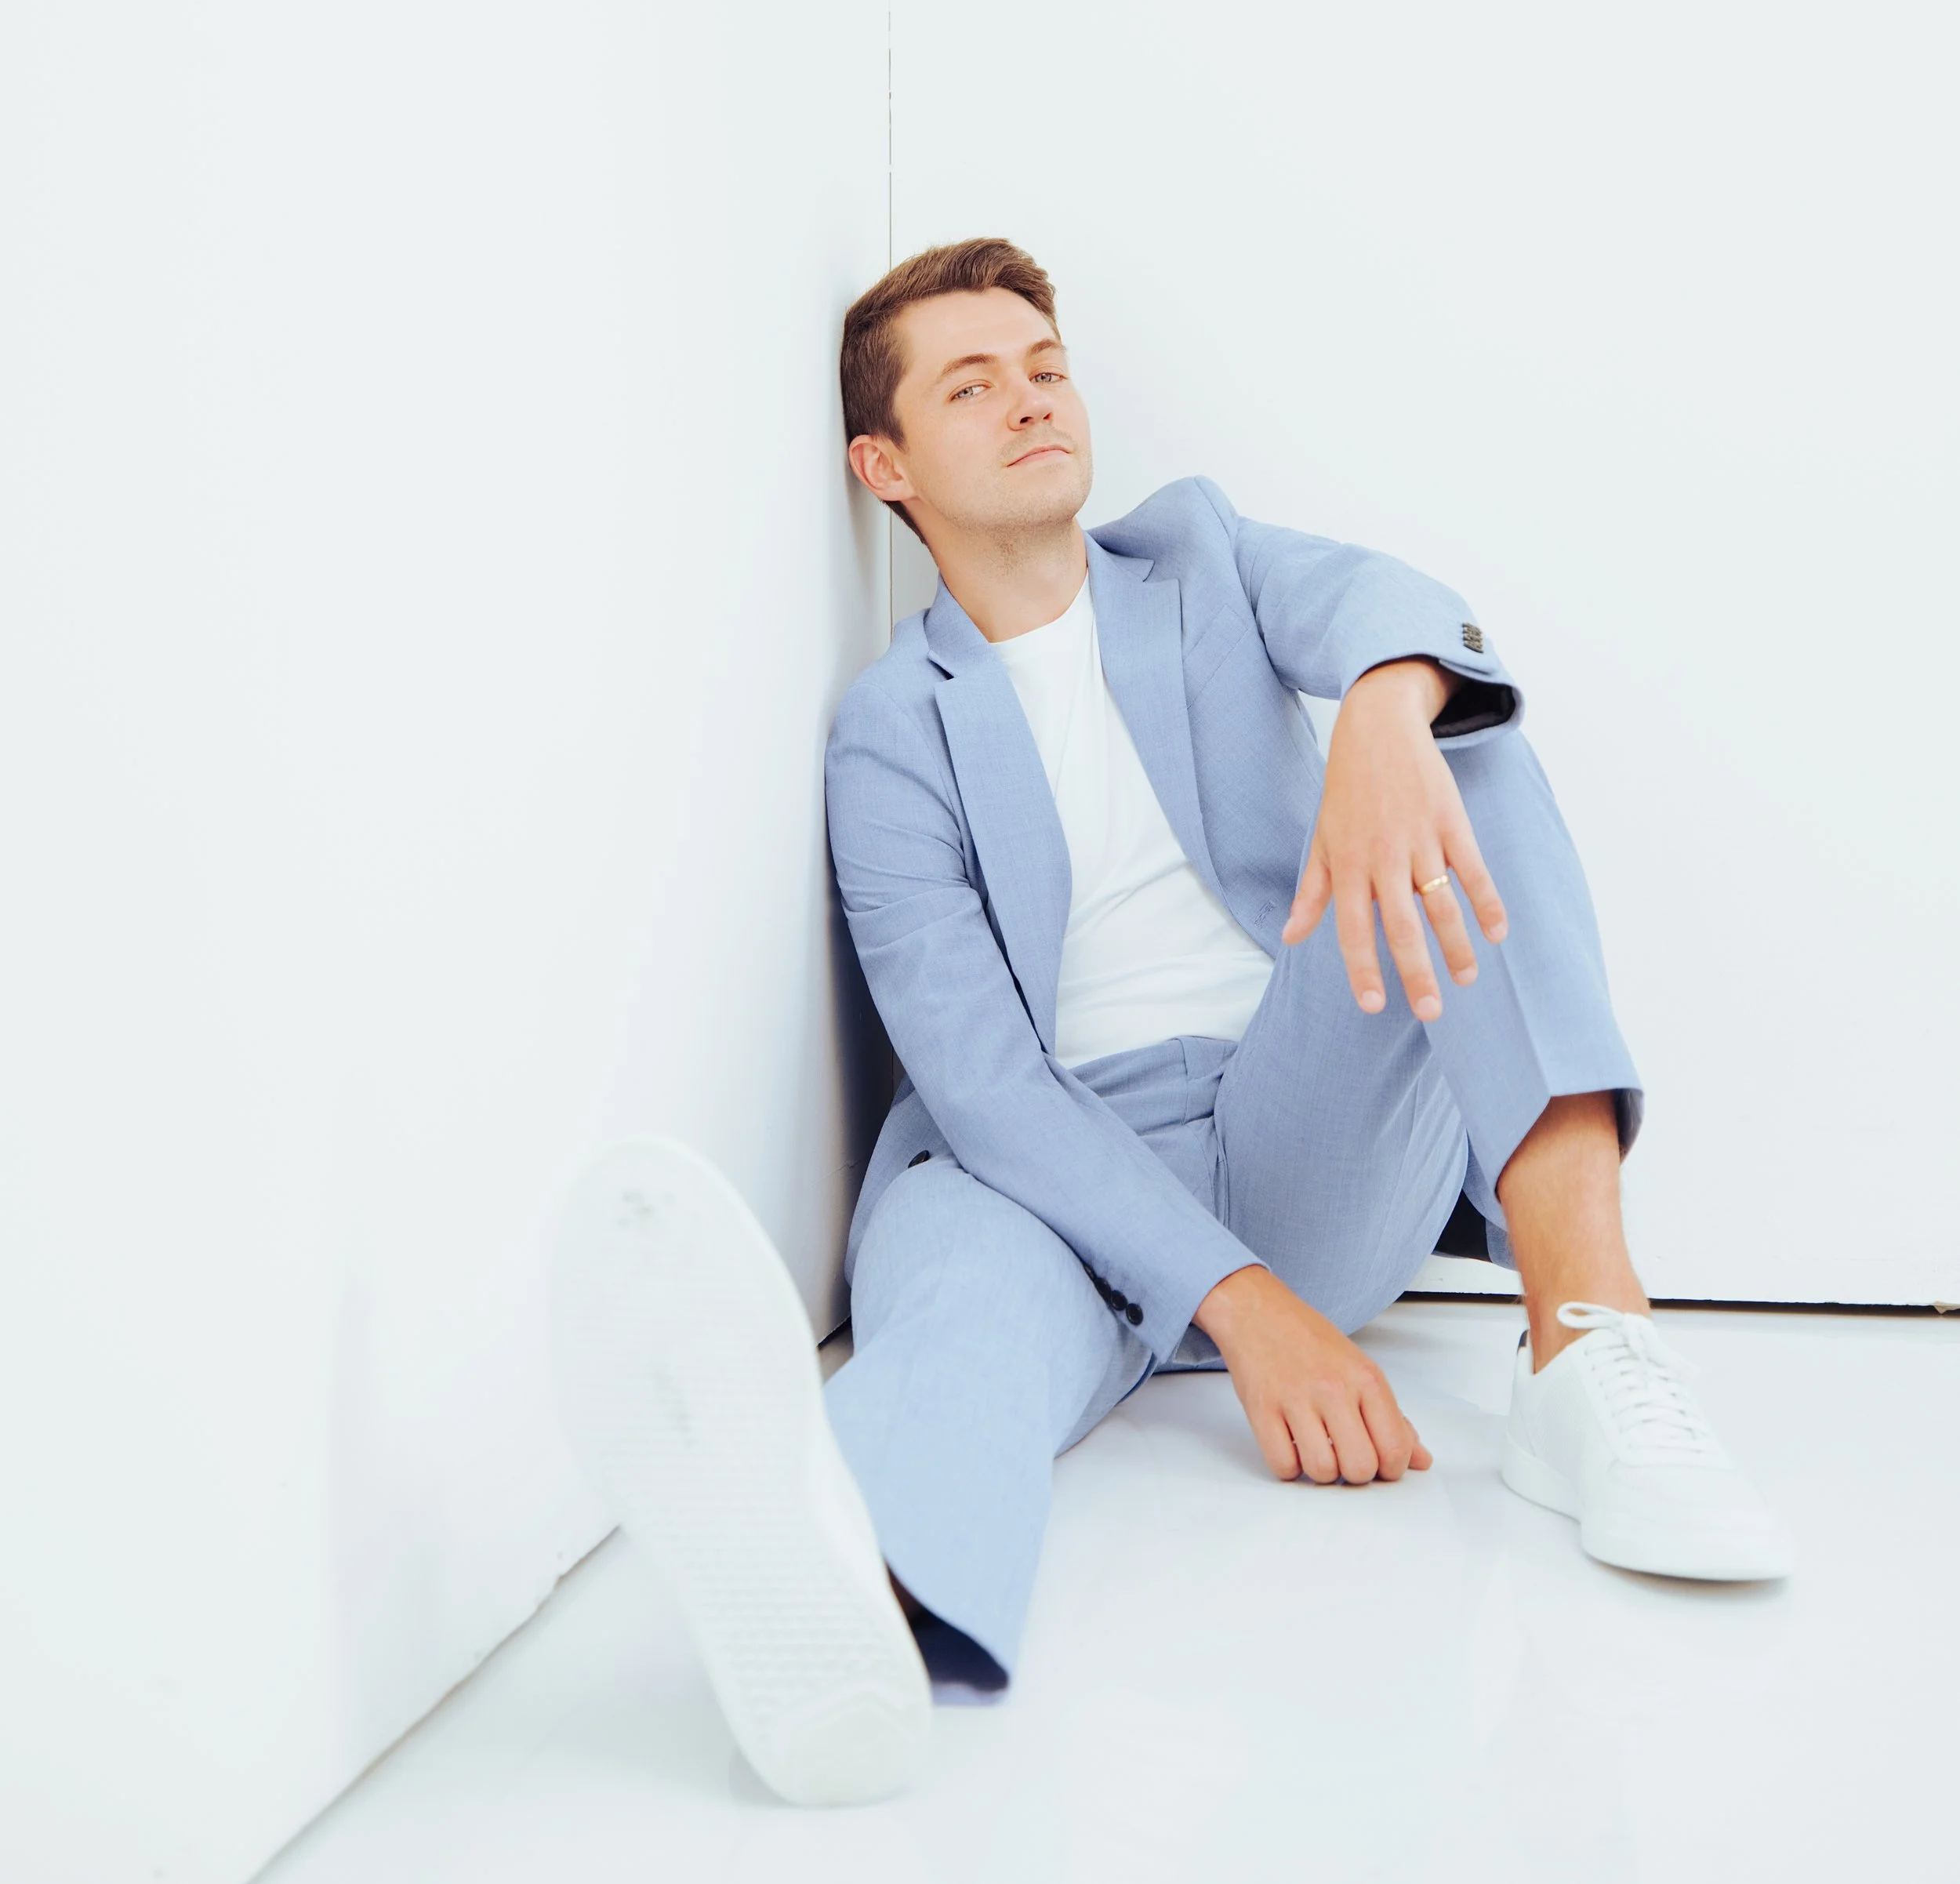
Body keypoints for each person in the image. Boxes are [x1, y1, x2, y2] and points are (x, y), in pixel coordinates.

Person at [546, 238, 1791, 1810]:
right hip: (1044, 1171)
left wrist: (1389, 713)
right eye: (970, 384)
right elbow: (981, 1076)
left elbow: (1388, 601)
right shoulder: (887, 726)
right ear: (882, 463)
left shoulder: (1194, 554)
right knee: (949, 1331)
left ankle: (1589, 1354)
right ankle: (853, 1596)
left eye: (1044, 368)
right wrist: (1244, 1304)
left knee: (1462, 748)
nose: (1028, 402)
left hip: (1298, 1115)